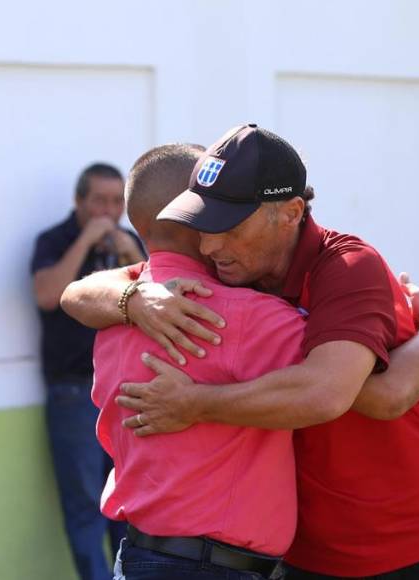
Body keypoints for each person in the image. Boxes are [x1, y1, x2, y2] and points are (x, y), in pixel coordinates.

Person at [62, 124, 419, 579]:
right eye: (202, 223)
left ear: (290, 213)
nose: (209, 245)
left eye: (227, 226)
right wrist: (135, 299)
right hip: (311, 553)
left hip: (417, 539)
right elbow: (77, 293)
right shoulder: (226, 271)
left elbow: (365, 396)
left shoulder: (348, 267)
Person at [94, 143, 306, 579]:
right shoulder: (252, 317)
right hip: (210, 567)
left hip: (135, 558)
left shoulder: (110, 314)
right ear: (197, 220)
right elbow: (353, 374)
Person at [31, 162, 145, 579]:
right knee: (85, 510)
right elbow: (47, 294)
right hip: (74, 393)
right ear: (79, 200)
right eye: (99, 200)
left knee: (128, 506)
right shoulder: (55, 240)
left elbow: (161, 291)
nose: (108, 210)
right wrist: (86, 240)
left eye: (118, 202)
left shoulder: (130, 242)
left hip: (126, 393)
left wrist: (131, 251)